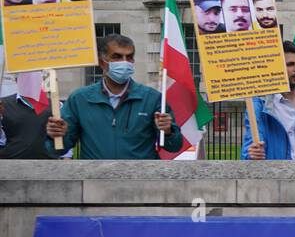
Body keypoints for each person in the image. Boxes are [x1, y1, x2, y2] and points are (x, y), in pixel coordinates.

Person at [45, 33, 183, 158]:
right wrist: (56, 136)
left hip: (140, 181)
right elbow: (57, 150)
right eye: (117, 57)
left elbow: (174, 146)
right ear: (101, 62)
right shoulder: (80, 99)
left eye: (129, 57)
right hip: (96, 180)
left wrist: (168, 131)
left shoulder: (152, 98)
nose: (124, 62)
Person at [0, 94, 56, 159]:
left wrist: (66, 157)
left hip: (48, 163)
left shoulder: (55, 105)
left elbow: (63, 134)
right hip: (11, 162)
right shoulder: (3, 104)